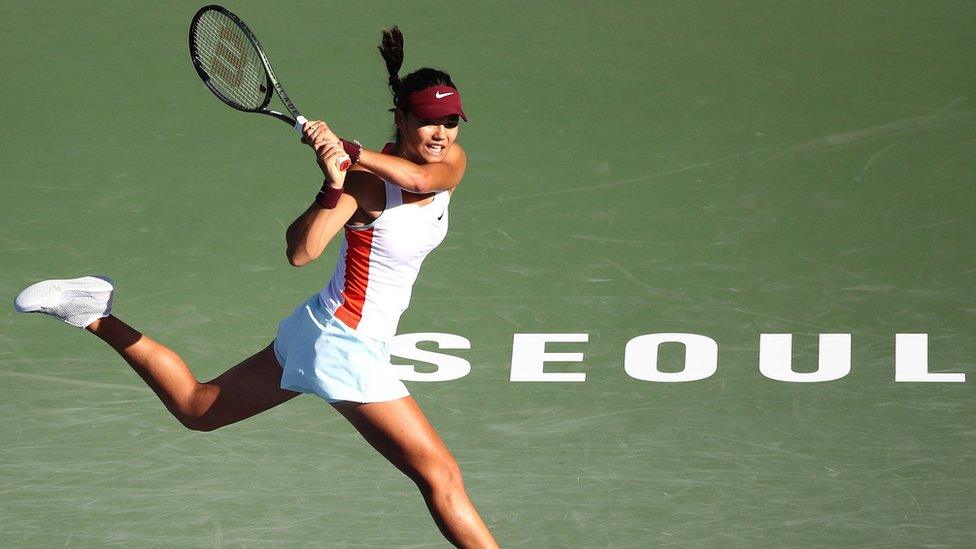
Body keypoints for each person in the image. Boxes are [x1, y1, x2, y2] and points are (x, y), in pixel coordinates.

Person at [14, 26, 498, 549]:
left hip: (326, 329)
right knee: (442, 477)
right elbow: (301, 252)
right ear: (401, 118)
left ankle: (93, 312)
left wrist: (350, 148)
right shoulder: (362, 185)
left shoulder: (447, 163)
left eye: (450, 122)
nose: (443, 133)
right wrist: (332, 184)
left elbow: (423, 182)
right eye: (429, 121)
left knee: (198, 409)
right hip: (343, 342)